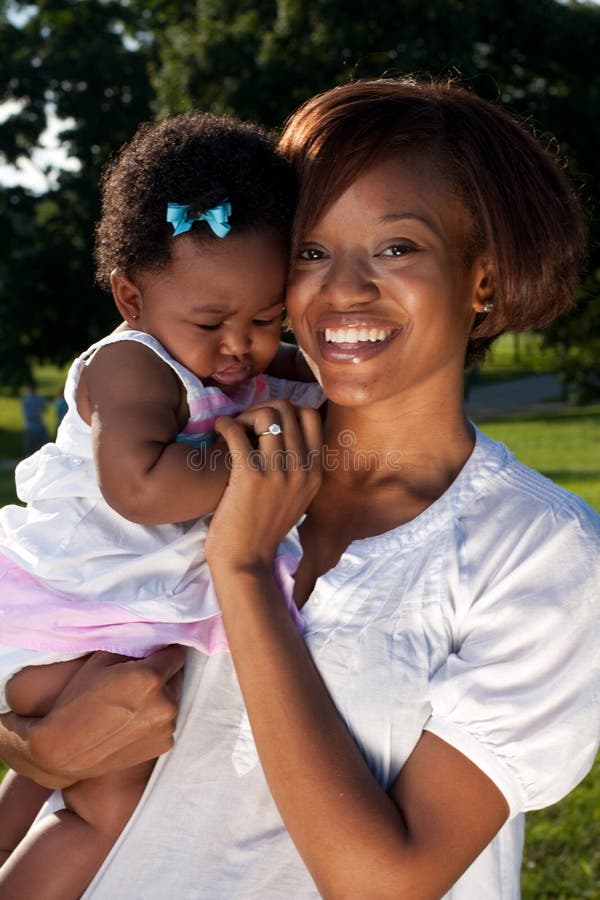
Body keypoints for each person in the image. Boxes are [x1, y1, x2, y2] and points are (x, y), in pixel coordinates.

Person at [1, 77, 599, 899]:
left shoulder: (536, 548)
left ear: (484, 279)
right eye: (311, 252)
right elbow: (64, 620)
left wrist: (243, 567)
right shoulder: (202, 439)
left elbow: (383, 883)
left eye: (396, 248)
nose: (342, 288)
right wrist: (28, 747)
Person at [0, 111, 322, 898]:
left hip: (110, 622)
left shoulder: (221, 355)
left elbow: (315, 383)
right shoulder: (132, 370)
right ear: (131, 299)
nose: (239, 348)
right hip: (67, 615)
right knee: (102, 813)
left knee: (53, 771)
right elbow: (140, 486)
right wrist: (260, 446)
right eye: (211, 322)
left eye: (264, 317)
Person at [20, 381, 49, 455]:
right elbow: (26, 412)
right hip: (30, 425)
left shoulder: (39, 397)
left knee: (42, 446)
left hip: (39, 425)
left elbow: (44, 409)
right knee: (30, 448)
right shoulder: (26, 398)